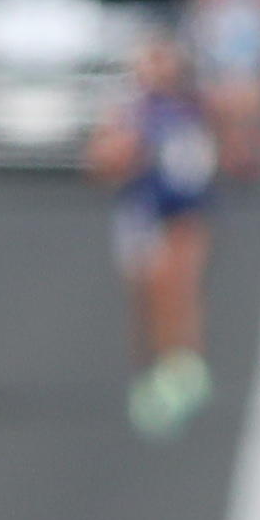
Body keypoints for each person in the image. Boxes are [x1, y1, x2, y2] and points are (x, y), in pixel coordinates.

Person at [86, 44, 221, 438]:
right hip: (141, 210)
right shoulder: (127, 110)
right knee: (145, 293)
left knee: (181, 288)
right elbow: (101, 162)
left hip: (184, 208)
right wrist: (123, 157)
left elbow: (217, 150)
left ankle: (184, 369)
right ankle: (151, 372)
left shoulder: (192, 105)